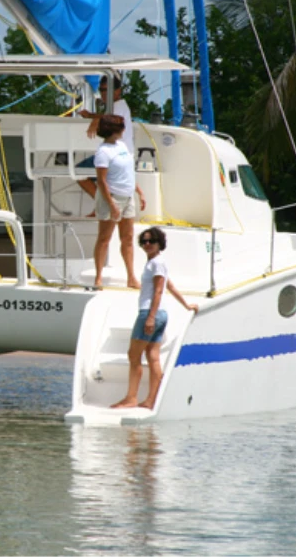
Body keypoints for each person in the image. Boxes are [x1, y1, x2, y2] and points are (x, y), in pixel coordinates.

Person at [112, 227, 199, 409]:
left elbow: (159, 291)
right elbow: (170, 286)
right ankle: (151, 400)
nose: (147, 244)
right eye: (144, 241)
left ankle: (131, 398)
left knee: (133, 355)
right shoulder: (157, 263)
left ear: (160, 243)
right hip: (161, 314)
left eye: (151, 241)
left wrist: (150, 317)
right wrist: (186, 304)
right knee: (153, 357)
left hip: (150, 312)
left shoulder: (156, 263)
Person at [92, 113, 146, 288]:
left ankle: (131, 277)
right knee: (104, 238)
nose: (124, 130)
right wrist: (112, 204)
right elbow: (101, 181)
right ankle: (98, 277)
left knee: (128, 238)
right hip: (112, 197)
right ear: (114, 130)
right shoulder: (103, 152)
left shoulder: (121, 145)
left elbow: (128, 172)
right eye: (122, 127)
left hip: (128, 196)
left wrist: (139, 192)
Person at [76, 75, 133, 205]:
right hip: (121, 156)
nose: (103, 93)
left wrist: (96, 119)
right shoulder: (118, 106)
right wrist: (92, 116)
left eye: (107, 90)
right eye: (101, 90)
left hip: (116, 156)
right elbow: (108, 116)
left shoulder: (118, 106)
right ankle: (105, 205)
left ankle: (104, 205)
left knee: (79, 172)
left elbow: (111, 119)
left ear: (118, 91)